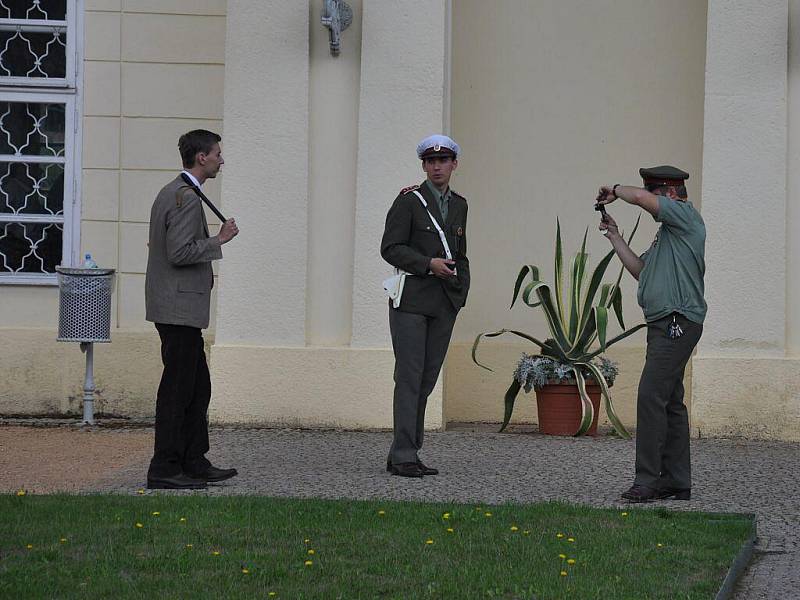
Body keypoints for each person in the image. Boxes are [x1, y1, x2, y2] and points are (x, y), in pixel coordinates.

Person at [595, 165, 706, 503]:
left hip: (678, 321)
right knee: (670, 401)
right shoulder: (668, 237)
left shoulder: (686, 217)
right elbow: (641, 271)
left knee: (650, 395)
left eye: (656, 193)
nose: (650, 200)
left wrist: (615, 188)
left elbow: (641, 199)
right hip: (665, 323)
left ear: (671, 194)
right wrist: (615, 236)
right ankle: (676, 481)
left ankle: (647, 481)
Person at [144, 129, 239, 489]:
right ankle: (166, 467)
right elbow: (179, 252)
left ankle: (193, 460)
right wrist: (218, 240)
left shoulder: (174, 192)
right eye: (217, 153)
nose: (221, 159)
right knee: (179, 390)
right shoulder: (186, 198)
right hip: (177, 309)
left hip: (176, 308)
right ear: (202, 157)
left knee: (197, 387)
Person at [380, 134, 471, 477]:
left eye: (443, 161)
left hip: (444, 301)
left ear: (453, 164)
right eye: (431, 162)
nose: (437, 167)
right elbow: (390, 248)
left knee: (427, 379)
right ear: (424, 165)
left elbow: (461, 254)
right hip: (412, 300)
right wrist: (427, 263)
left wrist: (460, 294)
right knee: (409, 376)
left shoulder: (460, 204)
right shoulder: (409, 201)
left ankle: (408, 451)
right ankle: (403, 453)